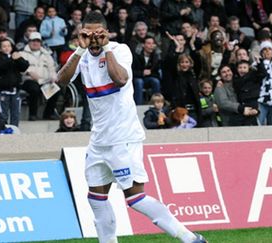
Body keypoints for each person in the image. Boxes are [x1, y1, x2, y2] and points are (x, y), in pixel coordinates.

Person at [56, 11, 207, 243]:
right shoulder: (82, 55)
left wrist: (105, 47)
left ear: (106, 32)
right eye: (88, 34)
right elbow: (61, 81)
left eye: (98, 34)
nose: (93, 39)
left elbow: (120, 79)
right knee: (96, 199)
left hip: (123, 138)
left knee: (135, 198)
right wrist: (79, 49)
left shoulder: (120, 50)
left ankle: (191, 239)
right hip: (98, 140)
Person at [0, 38, 29, 127]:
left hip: (15, 90)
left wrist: (19, 59)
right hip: (4, 91)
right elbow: (2, 66)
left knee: (16, 113)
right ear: (0, 49)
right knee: (3, 114)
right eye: (4, 46)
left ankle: (14, 130)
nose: (7, 48)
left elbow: (25, 66)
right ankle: (3, 130)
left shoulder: (16, 57)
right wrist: (11, 59)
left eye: (9, 46)